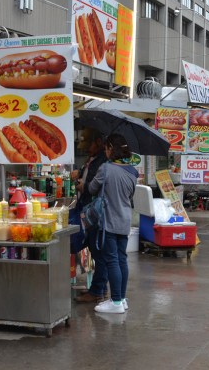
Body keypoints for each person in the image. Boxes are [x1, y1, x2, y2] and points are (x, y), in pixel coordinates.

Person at [88, 134, 138, 314]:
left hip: (109, 221)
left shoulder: (106, 169)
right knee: (121, 259)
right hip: (125, 219)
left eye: (106, 148)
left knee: (112, 261)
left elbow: (92, 188)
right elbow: (130, 195)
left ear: (110, 148)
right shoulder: (133, 171)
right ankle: (122, 298)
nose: (105, 151)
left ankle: (116, 302)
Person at [72, 129, 109, 304]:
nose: (87, 149)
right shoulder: (93, 160)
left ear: (100, 143)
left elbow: (94, 187)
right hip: (88, 210)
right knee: (96, 251)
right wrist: (79, 175)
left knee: (98, 252)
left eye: (90, 145)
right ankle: (100, 288)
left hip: (94, 213)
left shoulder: (103, 163)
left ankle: (97, 291)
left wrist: (83, 186)